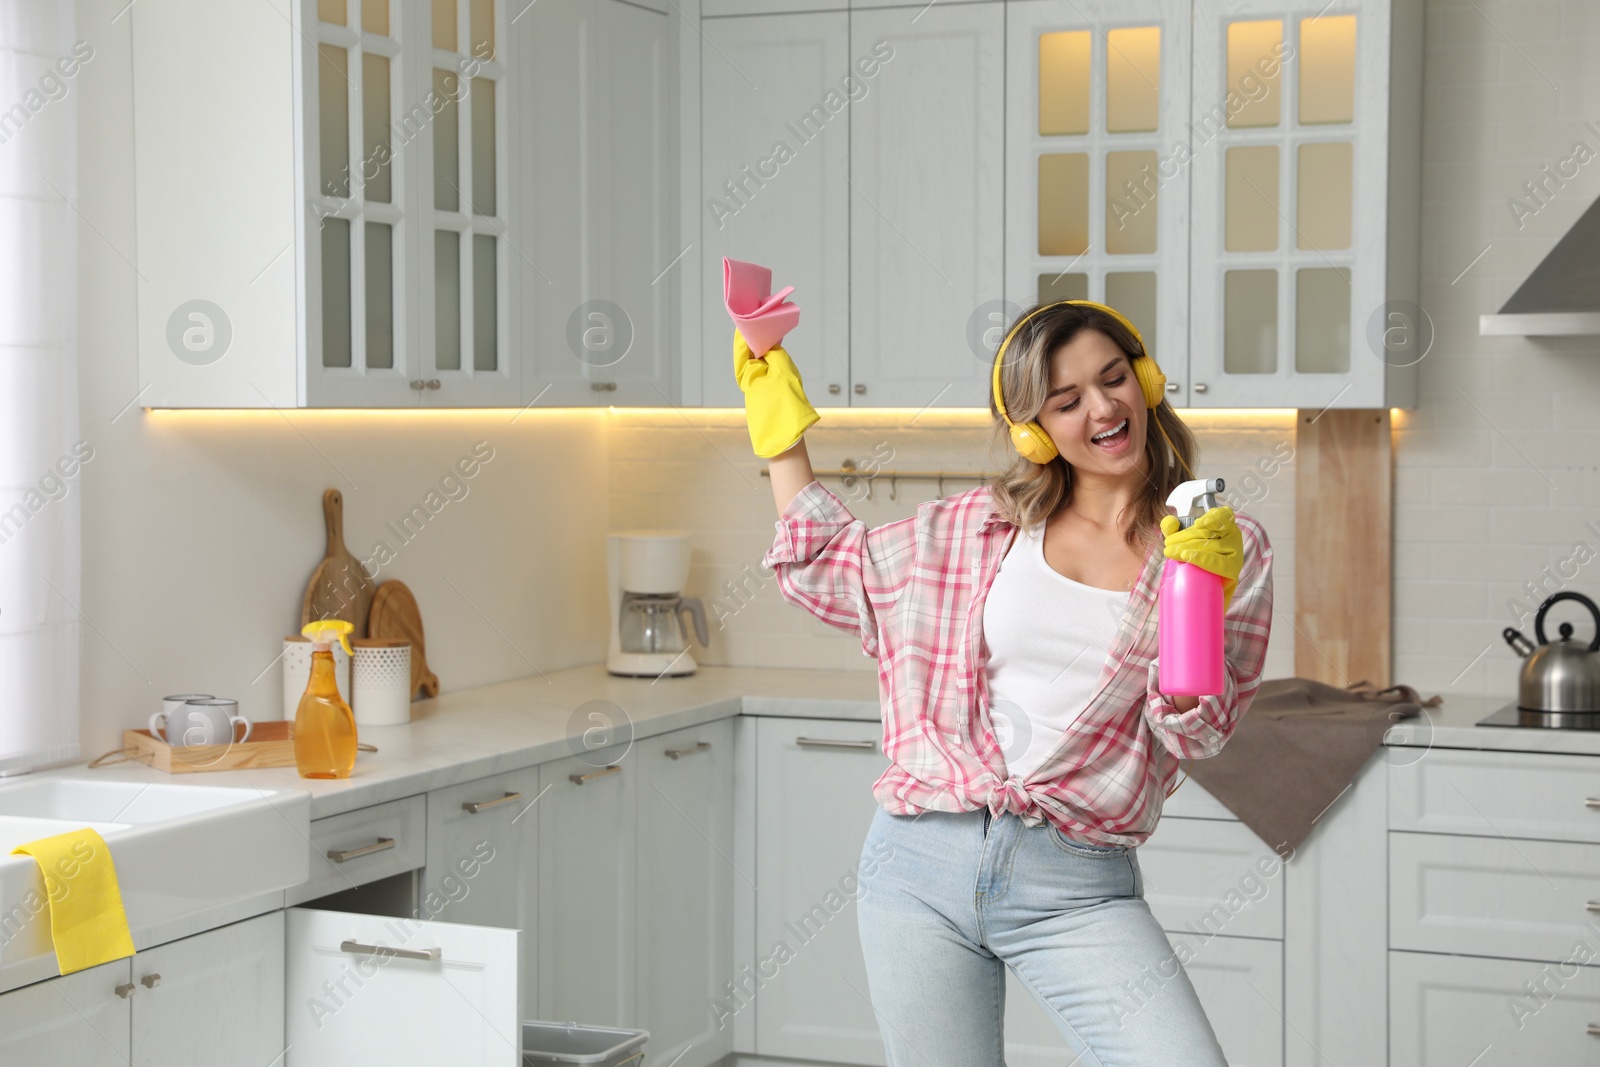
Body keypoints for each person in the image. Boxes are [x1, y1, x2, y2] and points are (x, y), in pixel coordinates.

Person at [734, 299, 1274, 1066]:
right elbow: (829, 562)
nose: (1103, 406)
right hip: (919, 864)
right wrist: (775, 413)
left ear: (1146, 380)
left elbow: (1199, 730)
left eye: (1114, 377)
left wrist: (1194, 597)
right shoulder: (978, 528)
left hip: (1076, 882)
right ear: (1033, 429)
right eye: (1067, 399)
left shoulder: (1227, 545)